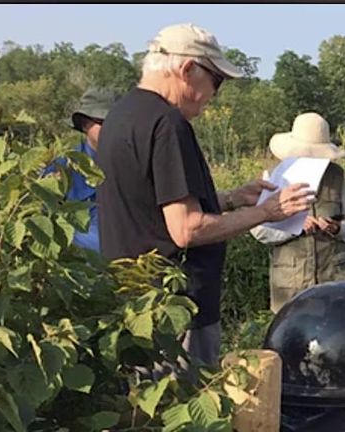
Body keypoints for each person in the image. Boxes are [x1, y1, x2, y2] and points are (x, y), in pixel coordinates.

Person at [96, 23, 310, 367]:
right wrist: (267, 212)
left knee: (140, 410)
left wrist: (229, 199)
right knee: (185, 410)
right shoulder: (168, 124)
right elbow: (187, 229)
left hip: (131, 303)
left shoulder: (121, 116)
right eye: (216, 81)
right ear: (187, 70)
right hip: (176, 312)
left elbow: (151, 206)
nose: (214, 95)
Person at [251, 112, 345, 312]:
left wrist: (337, 228)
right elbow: (259, 230)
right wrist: (296, 228)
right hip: (292, 283)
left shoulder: (337, 176)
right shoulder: (275, 176)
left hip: (335, 278)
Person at [46, 87, 119, 253]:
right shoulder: (63, 167)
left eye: (119, 122)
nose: (113, 129)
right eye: (103, 123)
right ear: (85, 124)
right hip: (82, 267)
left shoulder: (139, 164)